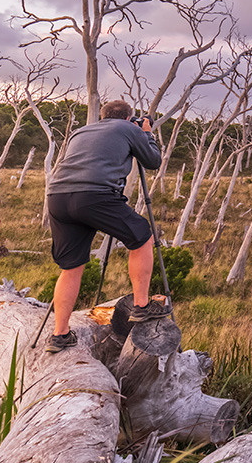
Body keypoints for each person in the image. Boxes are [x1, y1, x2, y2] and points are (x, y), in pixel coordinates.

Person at [43, 99, 170, 352]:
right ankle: (142, 307)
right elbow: (153, 161)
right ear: (127, 118)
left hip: (57, 197)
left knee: (71, 267)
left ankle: (60, 335)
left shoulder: (81, 131)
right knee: (142, 236)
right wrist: (146, 134)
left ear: (102, 116)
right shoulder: (130, 129)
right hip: (95, 196)